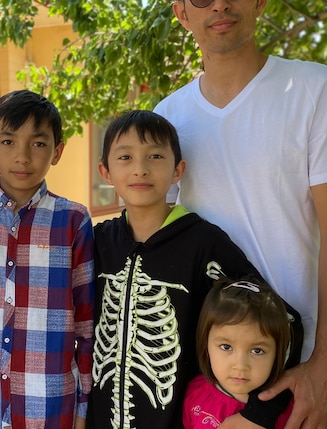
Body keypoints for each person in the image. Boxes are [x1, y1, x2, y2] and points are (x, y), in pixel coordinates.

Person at [153, 0, 327, 427]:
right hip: (207, 372)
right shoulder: (167, 119)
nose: (219, 3)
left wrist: (325, 364)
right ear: (182, 13)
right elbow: (159, 243)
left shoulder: (317, 91)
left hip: (300, 370)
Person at [86, 110, 300, 429]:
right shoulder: (97, 242)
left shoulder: (203, 244)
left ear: (177, 170)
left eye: (155, 156)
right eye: (126, 157)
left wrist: (261, 413)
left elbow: (285, 321)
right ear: (105, 171)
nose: (140, 169)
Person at [0, 90, 94, 429]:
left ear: (57, 151)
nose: (22, 157)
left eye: (38, 144)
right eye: (9, 142)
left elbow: (86, 322)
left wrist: (82, 410)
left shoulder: (73, 221)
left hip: (51, 407)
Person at [184, 279, 298, 429]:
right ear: (206, 345)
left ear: (277, 355)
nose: (240, 365)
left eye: (257, 351)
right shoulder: (195, 394)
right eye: (226, 347)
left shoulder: (290, 412)